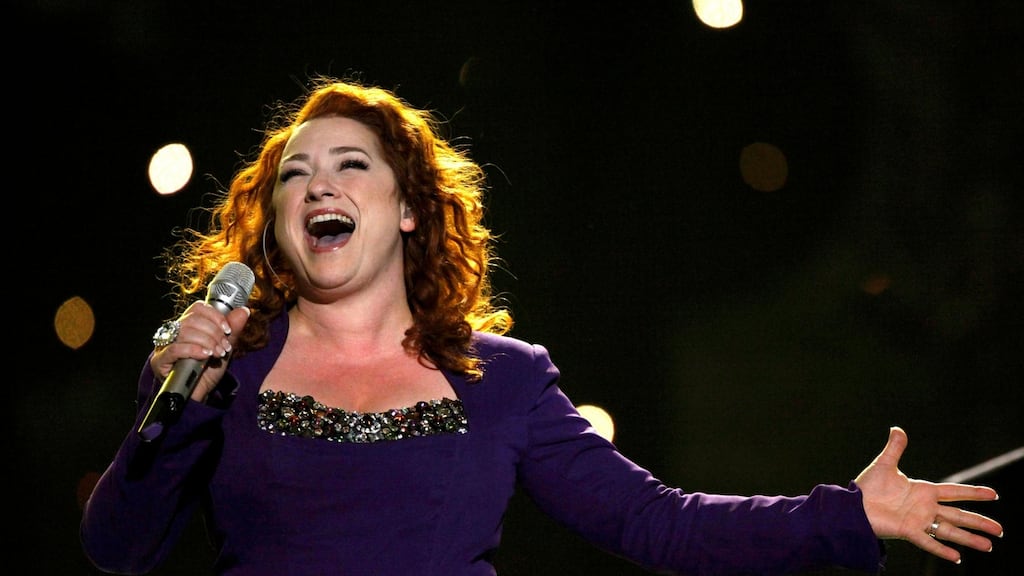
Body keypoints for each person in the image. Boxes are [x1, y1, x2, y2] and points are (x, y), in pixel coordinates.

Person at [80, 75, 1003, 575]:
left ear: (406, 208)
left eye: (351, 164)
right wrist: (179, 401)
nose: (318, 182)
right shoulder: (218, 371)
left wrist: (843, 517)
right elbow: (118, 549)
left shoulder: (504, 380)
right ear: (277, 218)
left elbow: (660, 524)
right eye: (294, 172)